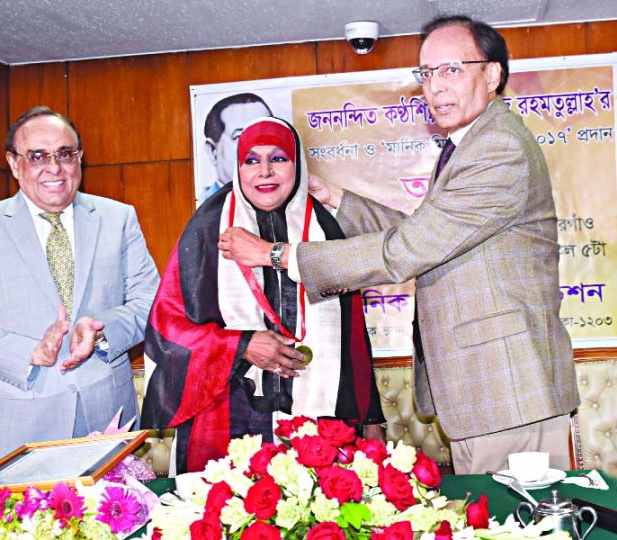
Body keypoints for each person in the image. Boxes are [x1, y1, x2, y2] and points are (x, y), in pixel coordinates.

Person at [217, 15, 578, 475]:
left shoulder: (497, 148)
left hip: (508, 391)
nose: (435, 87)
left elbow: (406, 250)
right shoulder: (468, 146)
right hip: (489, 394)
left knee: (518, 523)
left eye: (452, 69)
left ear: (492, 74)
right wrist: (337, 199)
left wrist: (277, 255)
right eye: (426, 74)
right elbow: (426, 234)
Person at [141, 117, 384, 473]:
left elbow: (353, 337)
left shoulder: (326, 227)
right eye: (251, 160)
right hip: (227, 410)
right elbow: (167, 328)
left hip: (319, 410)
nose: (265, 171)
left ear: (297, 164)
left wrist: (370, 417)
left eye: (278, 158)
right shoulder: (207, 228)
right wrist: (240, 345)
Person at [0, 106, 160, 464]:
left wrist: (102, 333)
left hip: (108, 417)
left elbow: (151, 301)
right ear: (14, 164)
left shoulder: (118, 217)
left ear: (80, 158)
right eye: (37, 156)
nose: (54, 168)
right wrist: (29, 352)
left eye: (65, 154)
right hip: (24, 425)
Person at [199, 93, 273, 203]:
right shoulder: (203, 209)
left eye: (264, 136)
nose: (256, 148)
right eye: (239, 137)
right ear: (212, 151)